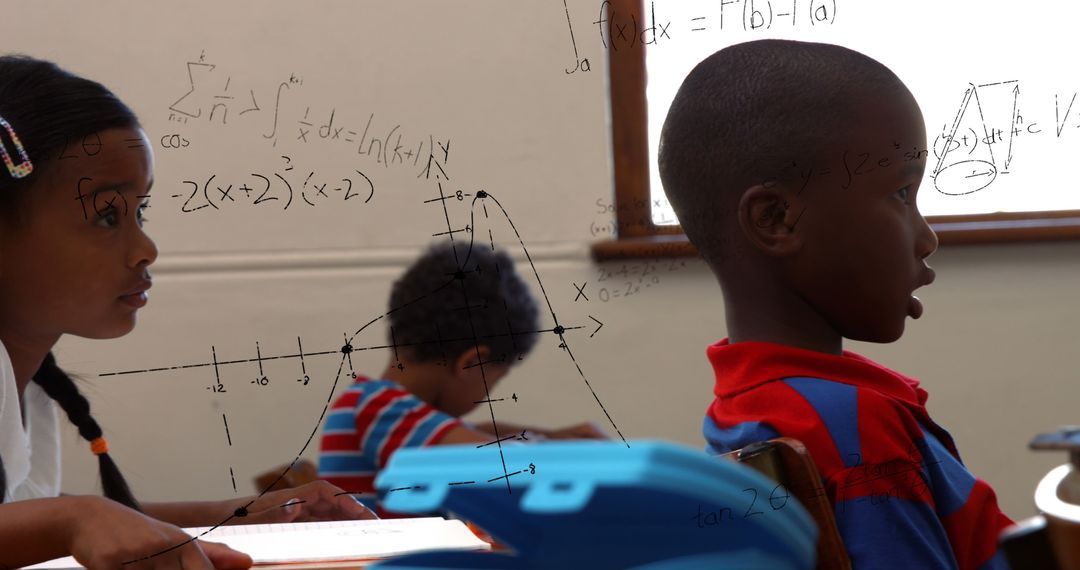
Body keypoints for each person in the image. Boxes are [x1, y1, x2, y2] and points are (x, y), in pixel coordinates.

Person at [0, 55, 373, 570]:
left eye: (141, 212)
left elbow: (22, 515)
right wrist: (76, 518)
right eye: (107, 216)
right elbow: (48, 522)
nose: (146, 249)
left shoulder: (30, 387)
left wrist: (232, 516)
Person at [657, 40, 1013, 569]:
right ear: (776, 219)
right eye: (901, 194)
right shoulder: (853, 430)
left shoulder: (752, 407)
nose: (927, 237)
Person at [319, 240, 606, 508]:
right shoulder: (379, 409)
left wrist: (547, 436)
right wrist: (560, 452)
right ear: (472, 363)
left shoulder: (380, 409)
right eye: (496, 378)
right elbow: (493, 459)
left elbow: (474, 432)